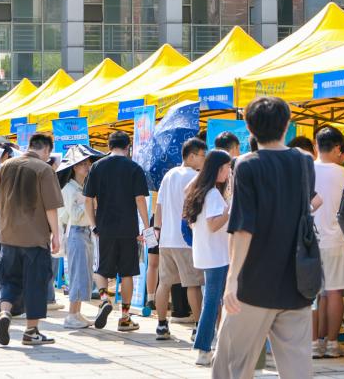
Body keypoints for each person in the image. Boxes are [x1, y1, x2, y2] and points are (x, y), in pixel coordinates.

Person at [213, 96, 320, 378]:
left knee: (232, 365)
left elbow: (243, 227)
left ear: (249, 128)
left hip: (254, 281)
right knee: (298, 369)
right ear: (287, 125)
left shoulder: (247, 165)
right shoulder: (304, 161)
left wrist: (232, 279)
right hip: (298, 279)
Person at [0, 132, 63, 347]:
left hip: (8, 235)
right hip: (35, 238)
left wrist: (4, 225)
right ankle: (31, 331)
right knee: (36, 283)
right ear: (46, 150)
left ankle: (5, 313)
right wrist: (56, 235)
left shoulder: (5, 166)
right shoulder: (44, 169)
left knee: (9, 279)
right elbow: (51, 207)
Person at [83, 130, 149, 333]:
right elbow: (140, 199)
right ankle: (125, 318)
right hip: (129, 228)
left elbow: (88, 200)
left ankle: (104, 299)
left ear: (109, 146)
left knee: (101, 269)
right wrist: (146, 227)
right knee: (127, 272)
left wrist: (93, 225)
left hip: (104, 228)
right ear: (128, 147)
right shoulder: (134, 168)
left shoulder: (97, 166)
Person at [154, 137, 207, 341]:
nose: (204, 159)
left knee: (164, 283)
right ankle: (198, 327)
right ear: (191, 156)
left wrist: (158, 230)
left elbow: (159, 207)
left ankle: (161, 325)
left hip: (166, 240)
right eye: (202, 155)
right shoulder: (195, 177)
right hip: (186, 240)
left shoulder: (168, 175)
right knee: (193, 284)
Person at [184, 150, 232, 366]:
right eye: (227, 168)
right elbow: (213, 225)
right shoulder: (212, 194)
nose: (229, 172)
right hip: (217, 256)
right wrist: (229, 211)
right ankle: (204, 349)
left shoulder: (200, 191)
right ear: (218, 169)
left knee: (213, 301)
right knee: (213, 302)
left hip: (209, 254)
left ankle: (210, 347)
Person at [311, 126, 344, 359]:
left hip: (309, 240)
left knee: (312, 295)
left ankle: (313, 344)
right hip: (337, 240)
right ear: (338, 148)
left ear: (316, 145)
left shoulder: (306, 170)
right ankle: (333, 343)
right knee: (335, 292)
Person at [59, 147, 98, 330]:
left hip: (86, 232)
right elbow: (73, 215)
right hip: (76, 232)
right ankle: (71, 314)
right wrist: (88, 203)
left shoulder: (84, 188)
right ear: (74, 167)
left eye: (88, 163)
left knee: (84, 273)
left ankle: (77, 313)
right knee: (77, 274)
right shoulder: (69, 188)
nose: (87, 167)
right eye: (82, 164)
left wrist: (88, 202)